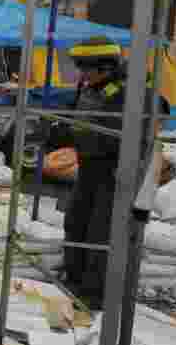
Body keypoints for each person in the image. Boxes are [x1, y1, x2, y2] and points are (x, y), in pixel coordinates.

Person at [60, 36, 168, 310]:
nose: (81, 75)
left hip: (115, 171)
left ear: (105, 67)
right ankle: (74, 279)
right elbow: (81, 118)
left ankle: (94, 294)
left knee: (101, 230)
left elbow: (158, 111)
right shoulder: (91, 88)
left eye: (86, 69)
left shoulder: (130, 93)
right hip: (89, 166)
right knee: (75, 221)